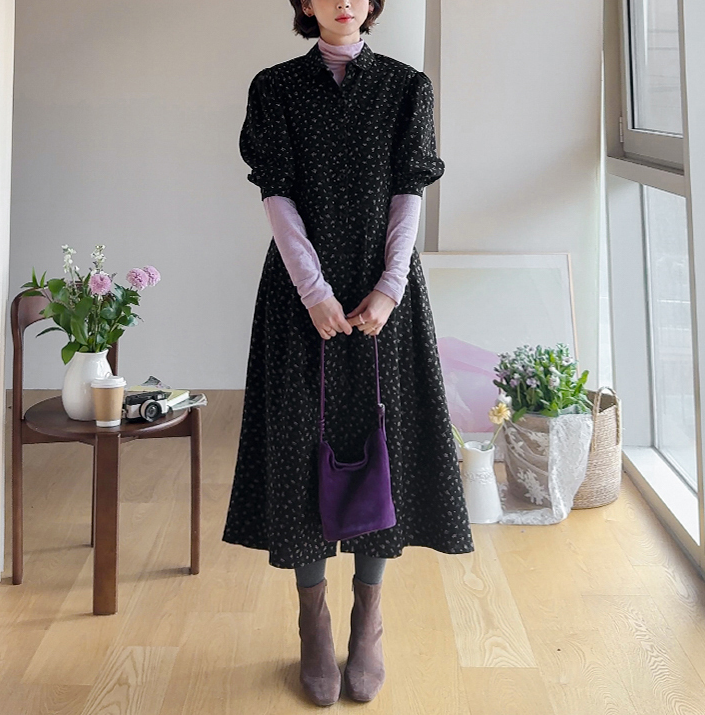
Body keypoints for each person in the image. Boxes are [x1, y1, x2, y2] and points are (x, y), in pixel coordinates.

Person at [222, 0, 475, 706]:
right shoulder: (274, 87)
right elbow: (276, 196)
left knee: (380, 444)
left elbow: (407, 195)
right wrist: (312, 291)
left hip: (382, 292)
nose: (343, 1)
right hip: (299, 295)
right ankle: (313, 619)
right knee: (300, 446)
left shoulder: (406, 87)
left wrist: (390, 288)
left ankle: (368, 618)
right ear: (305, 4)